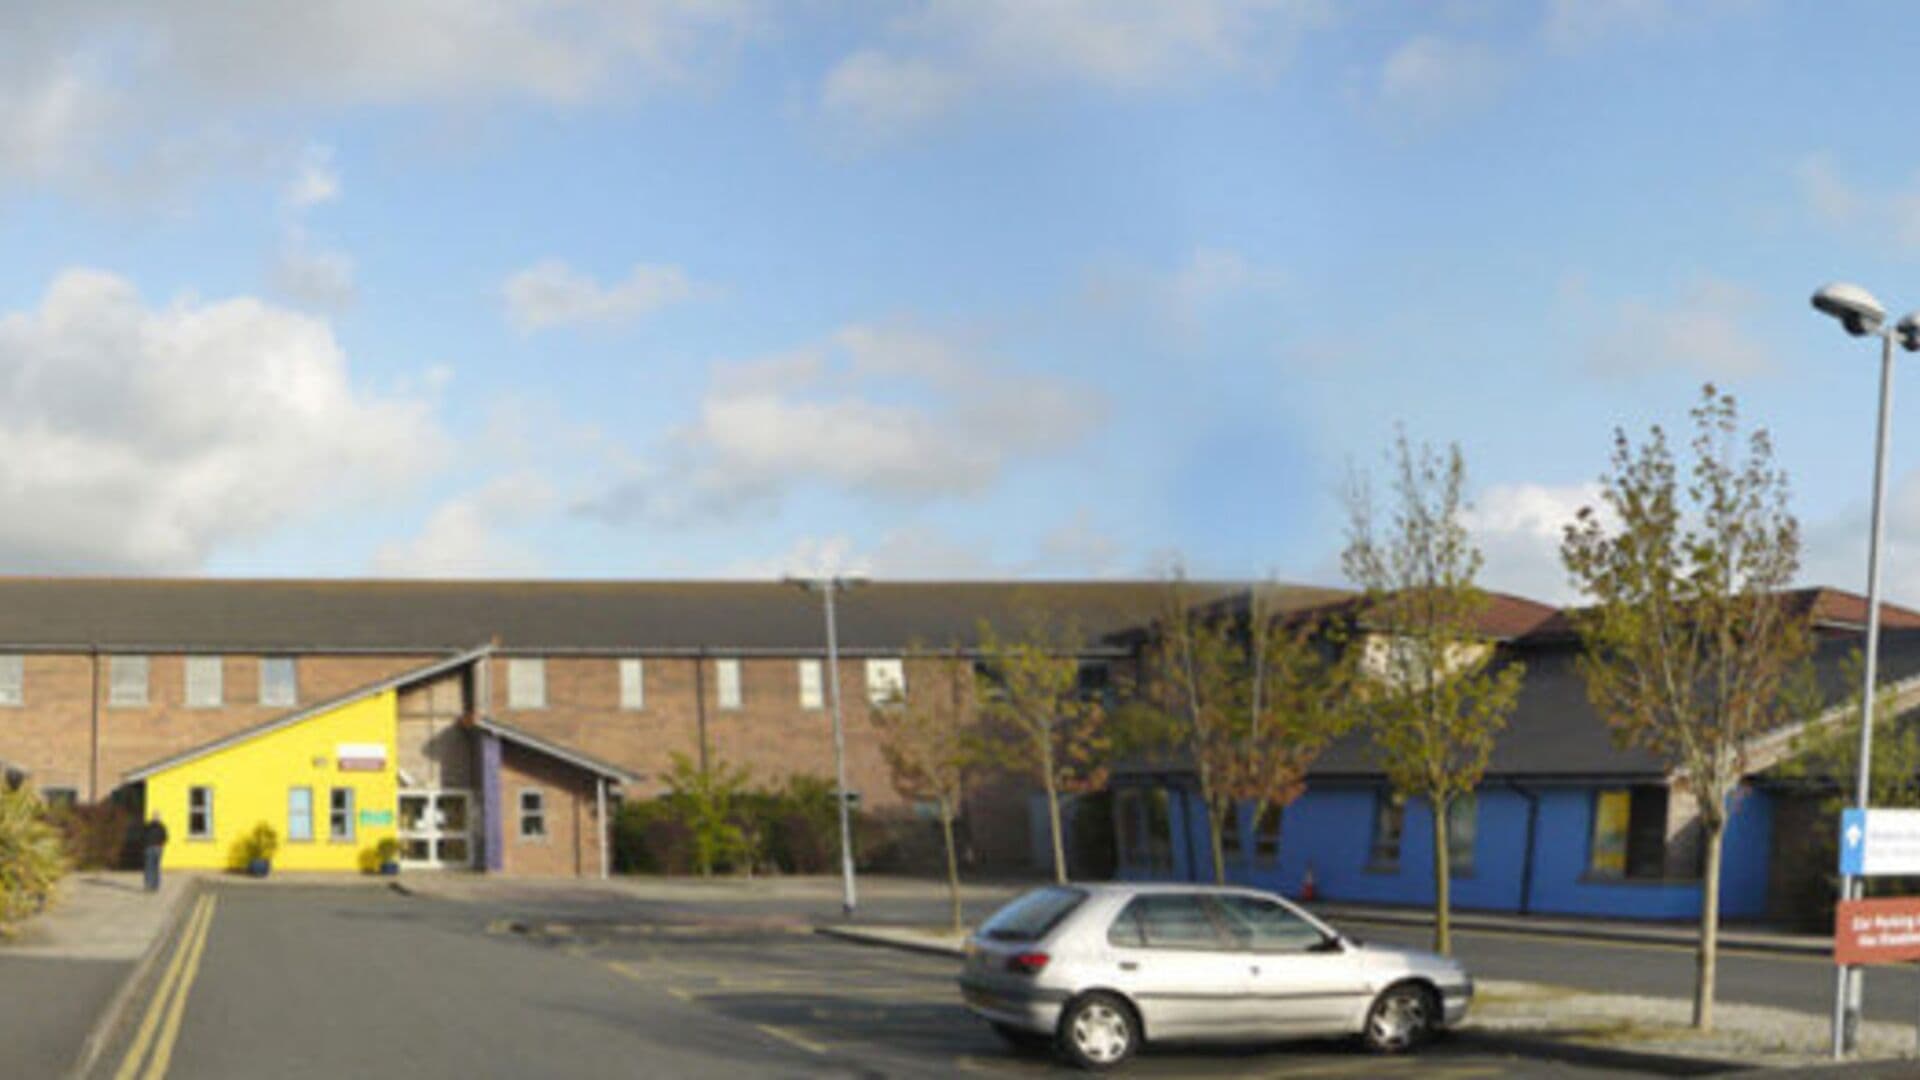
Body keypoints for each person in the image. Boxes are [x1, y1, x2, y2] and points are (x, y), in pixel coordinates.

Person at [142, 814, 168, 892]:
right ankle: (155, 886)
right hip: (157, 848)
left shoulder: (148, 826)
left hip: (150, 847)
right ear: (159, 818)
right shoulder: (161, 827)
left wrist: (146, 844)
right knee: (155, 867)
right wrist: (161, 845)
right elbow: (165, 837)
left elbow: (143, 836)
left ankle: (148, 886)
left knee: (149, 867)